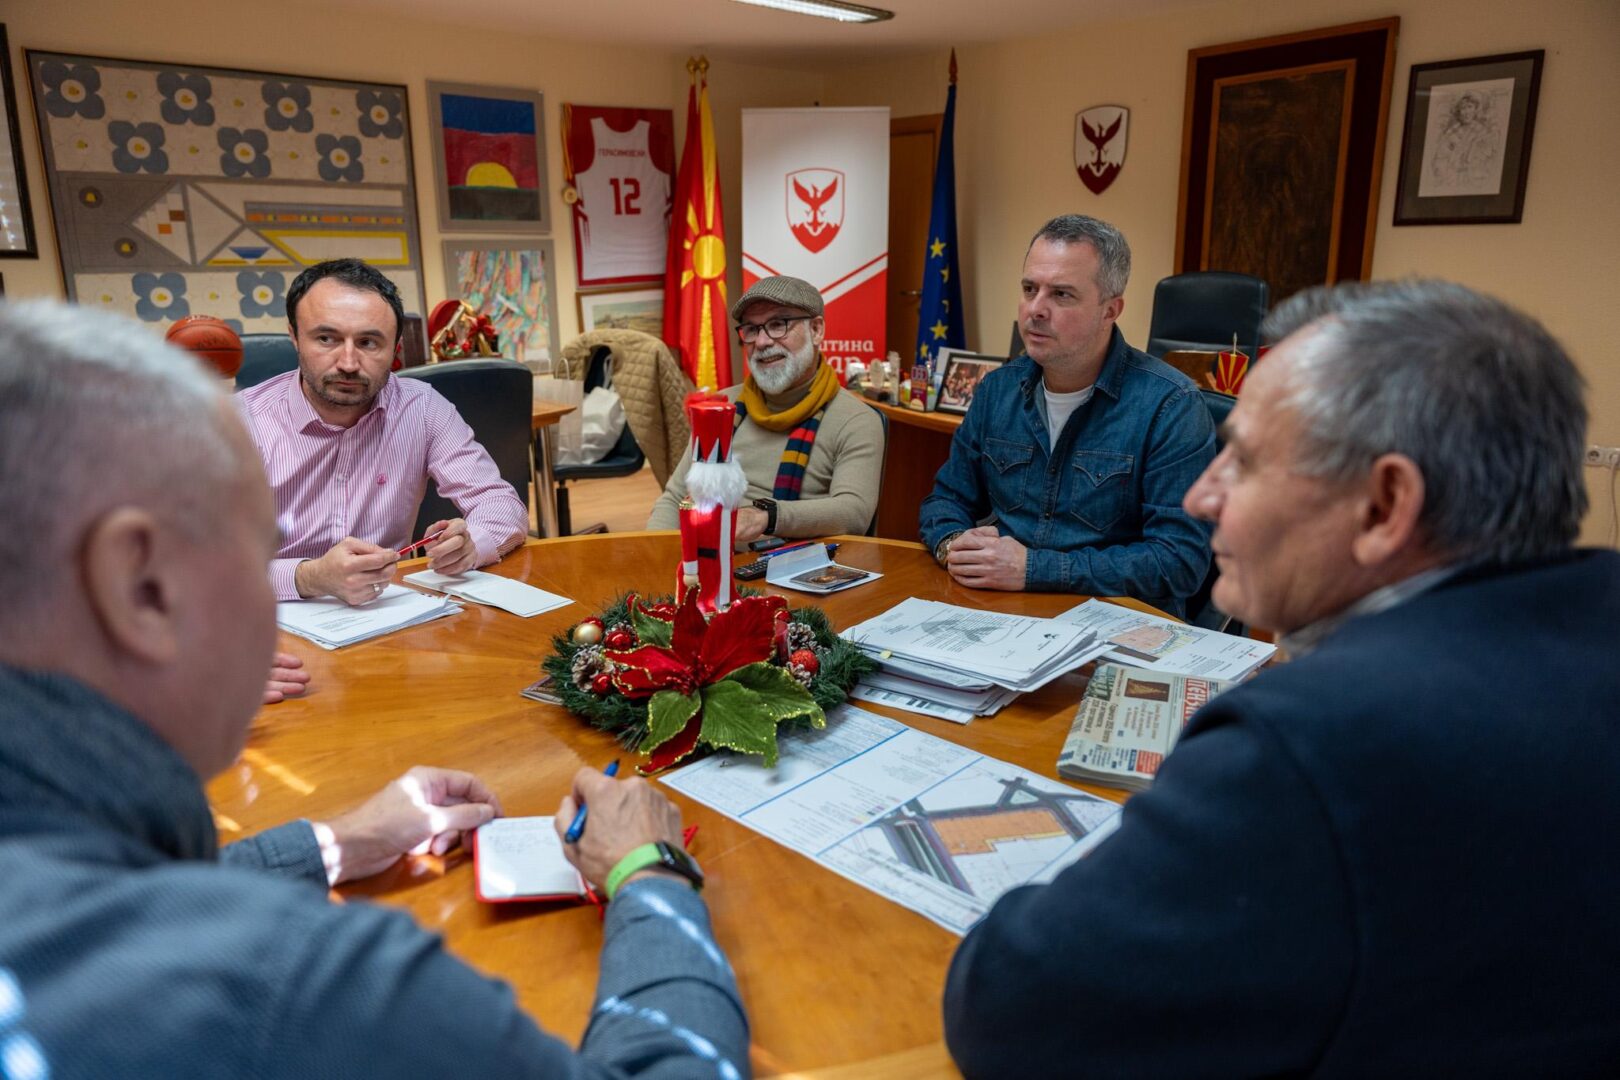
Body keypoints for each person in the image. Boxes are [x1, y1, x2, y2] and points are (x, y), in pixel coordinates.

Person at [0, 301, 748, 1077]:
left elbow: (141, 901)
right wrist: (647, 871)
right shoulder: (293, 983)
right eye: (257, 549)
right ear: (138, 586)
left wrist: (331, 844)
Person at [943, 280, 1620, 1076]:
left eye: (1246, 460)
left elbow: (1009, 1004)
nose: (1203, 496)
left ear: (1385, 506)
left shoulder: (1310, 741)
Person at [919, 215, 1215, 617]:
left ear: (1110, 310)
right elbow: (946, 499)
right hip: (1003, 612)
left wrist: (1033, 569)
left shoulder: (1171, 405)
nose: (1035, 309)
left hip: (1117, 623)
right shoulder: (997, 390)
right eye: (1029, 289)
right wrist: (954, 543)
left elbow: (1178, 562)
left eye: (1061, 294)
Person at [236, 258, 528, 607]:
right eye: (326, 338)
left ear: (395, 347)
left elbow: (500, 503)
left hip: (389, 612)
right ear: (294, 337)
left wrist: (470, 546)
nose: (348, 363)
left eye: (369, 342)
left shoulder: (422, 409)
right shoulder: (238, 423)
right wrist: (311, 577)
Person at [647, 275, 884, 543]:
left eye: (778, 324)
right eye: (751, 329)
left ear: (816, 330)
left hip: (796, 564)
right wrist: (654, 553)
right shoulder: (721, 407)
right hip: (708, 558)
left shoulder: (856, 420)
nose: (761, 342)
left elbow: (853, 513)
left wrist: (765, 517)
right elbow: (675, 498)